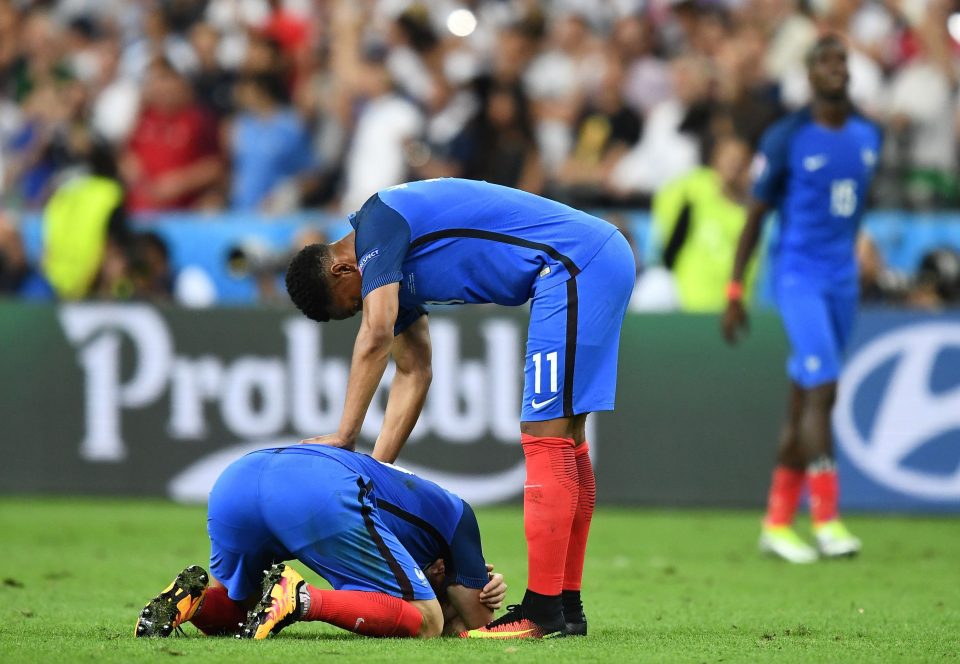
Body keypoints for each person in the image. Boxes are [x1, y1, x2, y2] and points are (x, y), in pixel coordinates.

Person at [285, 178, 636, 639]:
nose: (363, 307)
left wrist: (345, 434)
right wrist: (377, 472)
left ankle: (544, 610)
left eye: (352, 304)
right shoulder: (391, 265)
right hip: (588, 260)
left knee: (545, 433)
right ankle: (565, 607)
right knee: (567, 439)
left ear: (342, 271)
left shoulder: (378, 221)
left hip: (572, 265)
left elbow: (375, 334)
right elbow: (414, 371)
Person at [722, 35, 881, 563]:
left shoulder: (867, 135)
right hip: (798, 277)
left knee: (804, 398)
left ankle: (776, 523)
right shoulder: (787, 137)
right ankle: (828, 520)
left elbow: (853, 208)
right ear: (810, 76)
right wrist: (735, 289)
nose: (836, 69)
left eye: (842, 61)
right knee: (823, 389)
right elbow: (755, 216)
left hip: (842, 279)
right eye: (825, 62)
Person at [134, 444, 506, 640]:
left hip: (238, 478)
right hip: (318, 488)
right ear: (443, 569)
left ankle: (193, 602)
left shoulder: (416, 505)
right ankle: (302, 598)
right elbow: (475, 628)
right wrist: (478, 598)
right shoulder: (460, 519)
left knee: (244, 610)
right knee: (426, 621)